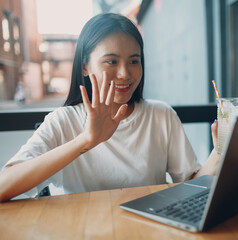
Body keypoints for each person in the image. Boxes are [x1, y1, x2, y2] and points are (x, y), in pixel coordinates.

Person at [0, 13, 220, 202]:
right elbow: (3, 186)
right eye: (111, 62)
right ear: (85, 67)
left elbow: (192, 184)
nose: (125, 73)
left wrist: (219, 152)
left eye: (134, 61)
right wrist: (86, 141)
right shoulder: (63, 121)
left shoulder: (161, 115)